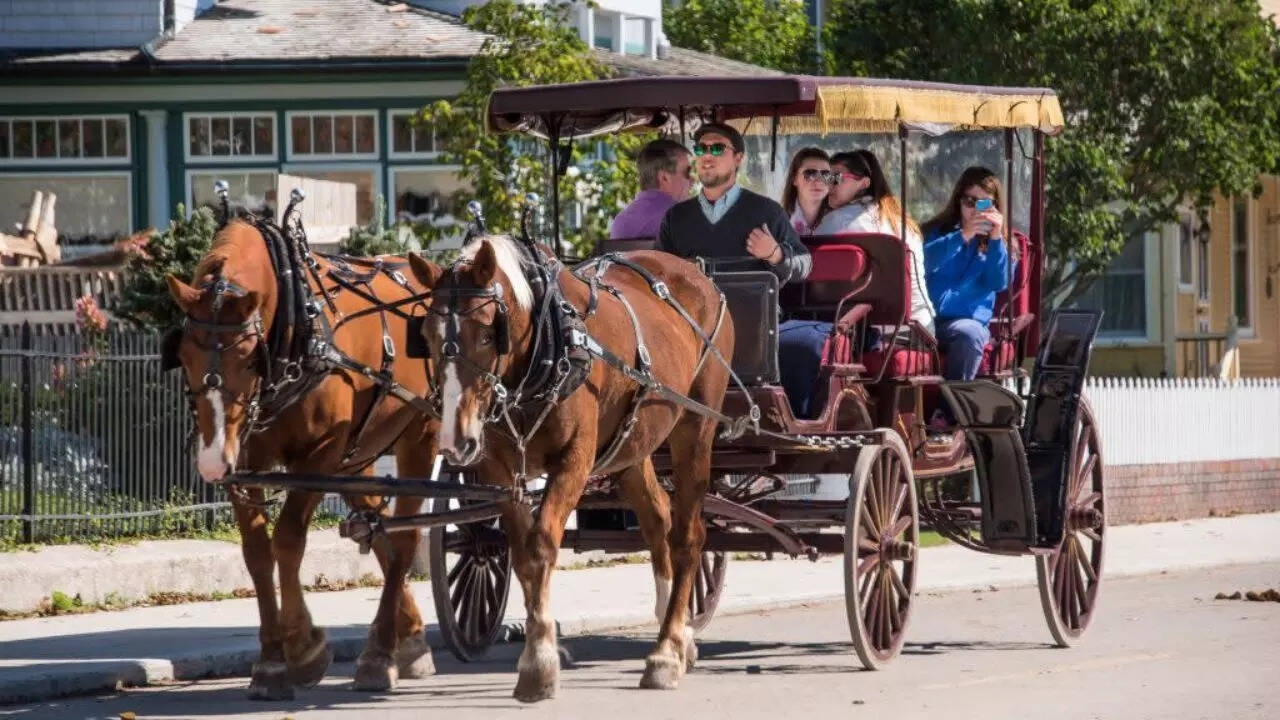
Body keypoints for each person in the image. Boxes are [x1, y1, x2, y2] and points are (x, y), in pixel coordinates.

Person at [656, 123, 826, 419]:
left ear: (738, 158)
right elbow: (658, 274)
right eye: (701, 149)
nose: (707, 156)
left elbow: (804, 264)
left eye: (718, 148)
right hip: (692, 329)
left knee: (798, 349)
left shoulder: (766, 212)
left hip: (753, 328)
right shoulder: (676, 218)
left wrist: (775, 253)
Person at [815, 150, 935, 333]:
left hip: (866, 332)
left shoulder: (836, 221)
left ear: (864, 183)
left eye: (837, 178)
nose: (829, 185)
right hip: (918, 329)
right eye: (827, 178)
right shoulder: (902, 222)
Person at [922, 166, 1012, 385]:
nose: (976, 210)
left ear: (995, 208)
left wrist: (995, 239)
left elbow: (998, 282)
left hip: (966, 324)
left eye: (984, 204)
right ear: (958, 201)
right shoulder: (937, 232)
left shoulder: (1001, 245)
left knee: (969, 334)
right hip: (926, 322)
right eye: (970, 202)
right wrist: (963, 235)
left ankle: (950, 412)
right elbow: (922, 262)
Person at [609, 138, 692, 240]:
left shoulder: (620, 222)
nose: (693, 180)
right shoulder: (683, 219)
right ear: (664, 177)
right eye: (687, 173)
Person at [781, 147, 832, 236]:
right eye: (810, 173)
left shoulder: (843, 222)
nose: (819, 180)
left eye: (826, 174)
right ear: (794, 179)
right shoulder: (778, 222)